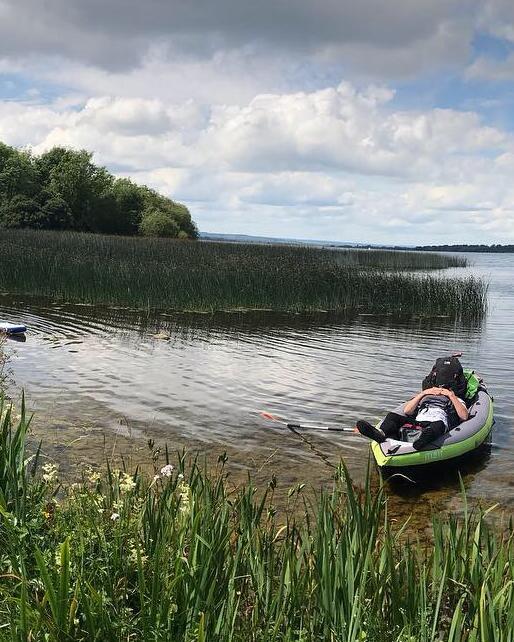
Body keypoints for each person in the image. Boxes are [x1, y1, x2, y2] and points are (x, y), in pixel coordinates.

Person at [356, 385, 469, 450]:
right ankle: (381, 434)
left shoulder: (456, 400)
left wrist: (451, 395)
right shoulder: (426, 398)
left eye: (443, 390)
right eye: (437, 389)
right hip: (418, 422)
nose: (439, 391)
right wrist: (423, 393)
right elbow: (407, 411)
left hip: (436, 423)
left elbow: (464, 416)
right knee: (392, 416)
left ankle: (422, 440)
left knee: (438, 425)